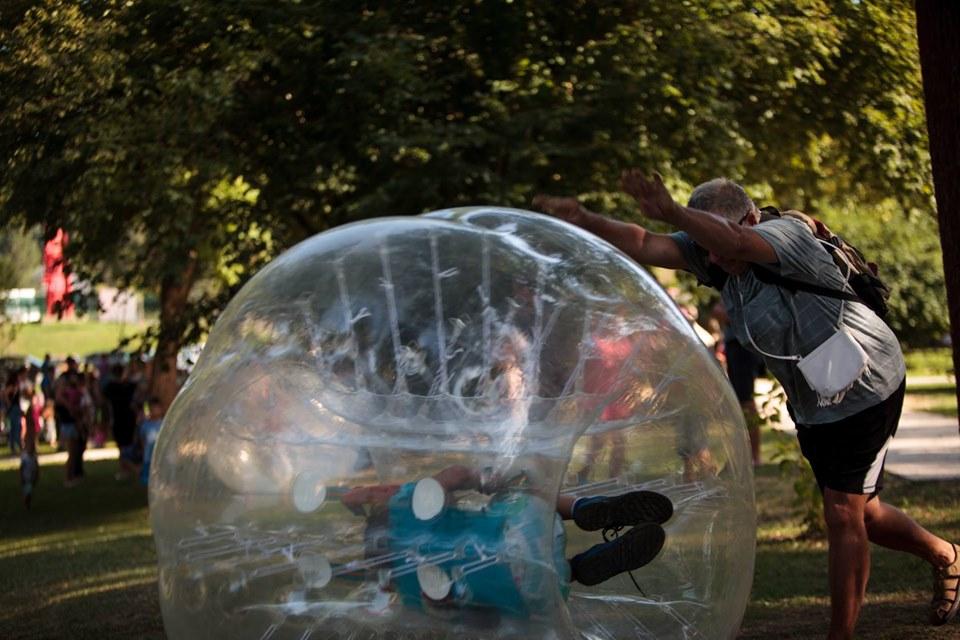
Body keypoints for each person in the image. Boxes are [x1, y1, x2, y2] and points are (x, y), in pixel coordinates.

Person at [533, 170, 960, 637]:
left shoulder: (785, 235)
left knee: (842, 512)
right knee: (866, 514)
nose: (714, 259)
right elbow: (643, 241)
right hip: (817, 399)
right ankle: (946, 554)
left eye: (717, 241)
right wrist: (586, 218)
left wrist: (675, 210)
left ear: (752, 216)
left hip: (865, 382)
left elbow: (733, 242)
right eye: (706, 248)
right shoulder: (710, 251)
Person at [341, 464, 673, 617]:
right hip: (526, 527)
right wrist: (485, 480)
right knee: (517, 490)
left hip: (533, 592)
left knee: (539, 578)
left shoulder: (416, 596)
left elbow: (481, 619)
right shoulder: (408, 510)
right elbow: (455, 476)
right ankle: (583, 509)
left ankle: (580, 569)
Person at [712, 301, 763, 466]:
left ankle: (754, 456)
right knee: (739, 402)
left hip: (742, 346)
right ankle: (745, 455)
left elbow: (726, 312)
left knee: (746, 401)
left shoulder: (741, 286)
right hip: (735, 345)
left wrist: (722, 312)